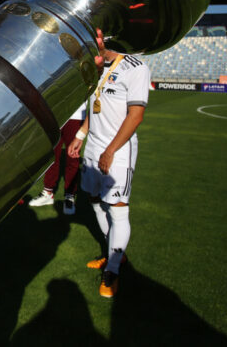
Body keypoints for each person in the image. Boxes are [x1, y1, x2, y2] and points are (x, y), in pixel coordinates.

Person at [67, 46, 150, 298]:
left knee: (117, 207)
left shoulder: (135, 67)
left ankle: (112, 270)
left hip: (118, 149)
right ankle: (114, 253)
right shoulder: (97, 65)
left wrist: (111, 150)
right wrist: (80, 136)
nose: (93, 41)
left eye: (98, 36)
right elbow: (96, 105)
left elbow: (136, 117)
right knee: (93, 199)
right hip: (93, 146)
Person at [28, 103, 86, 214]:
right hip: (55, 112)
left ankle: (70, 195)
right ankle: (48, 192)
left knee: (72, 156)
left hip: (76, 115)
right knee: (53, 154)